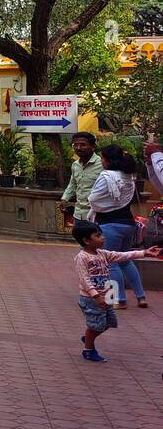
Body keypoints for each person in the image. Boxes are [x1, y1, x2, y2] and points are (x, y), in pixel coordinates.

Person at [72, 219, 159, 361]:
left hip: (106, 295)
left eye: (101, 234)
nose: (103, 238)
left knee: (108, 323)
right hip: (91, 299)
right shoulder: (82, 258)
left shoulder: (102, 253)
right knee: (97, 325)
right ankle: (88, 349)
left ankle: (89, 337)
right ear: (86, 240)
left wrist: (144, 253)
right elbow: (84, 280)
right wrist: (96, 296)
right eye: (98, 236)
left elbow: (122, 255)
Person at [86, 144, 148, 308]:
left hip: (109, 224)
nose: (101, 160)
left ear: (108, 159)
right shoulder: (128, 176)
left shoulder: (107, 176)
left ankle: (119, 300)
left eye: (102, 158)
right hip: (128, 223)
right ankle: (141, 297)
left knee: (110, 262)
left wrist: (100, 205)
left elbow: (93, 199)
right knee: (126, 260)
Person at [61, 131, 102, 223]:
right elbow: (73, 184)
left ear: (92, 146)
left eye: (83, 145)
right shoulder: (75, 165)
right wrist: (65, 198)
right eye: (75, 145)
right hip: (78, 215)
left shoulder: (102, 164)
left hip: (96, 215)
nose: (78, 148)